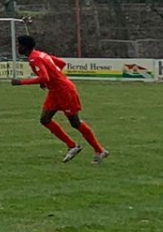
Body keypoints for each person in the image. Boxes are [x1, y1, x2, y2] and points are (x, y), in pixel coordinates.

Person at [14, 35, 107, 163]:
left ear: (24, 47)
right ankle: (72, 146)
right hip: (55, 92)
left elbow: (45, 77)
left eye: (19, 45)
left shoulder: (34, 59)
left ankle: (99, 150)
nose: (18, 48)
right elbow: (61, 64)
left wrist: (21, 82)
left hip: (64, 91)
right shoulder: (41, 54)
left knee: (75, 122)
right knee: (45, 120)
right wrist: (51, 80)